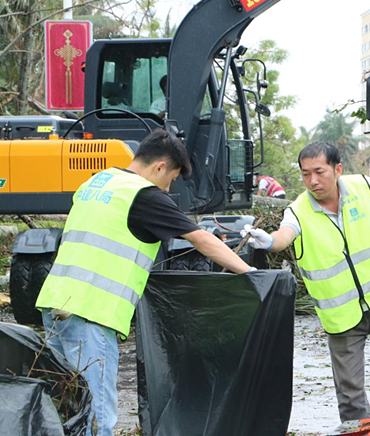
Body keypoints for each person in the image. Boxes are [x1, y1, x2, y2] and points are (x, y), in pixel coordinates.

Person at [35, 129, 254, 436]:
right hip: (90, 313)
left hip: (55, 304)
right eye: (172, 179)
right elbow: (201, 238)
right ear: (160, 167)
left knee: (66, 407)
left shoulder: (97, 181)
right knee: (97, 415)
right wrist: (251, 274)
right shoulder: (143, 195)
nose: (168, 188)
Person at [242, 142, 370, 436]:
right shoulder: (298, 211)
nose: (313, 181)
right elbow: (283, 236)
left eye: (319, 172)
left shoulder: (364, 188)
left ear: (337, 169)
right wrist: (268, 240)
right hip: (342, 317)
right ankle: (359, 433)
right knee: (350, 390)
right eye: (306, 174)